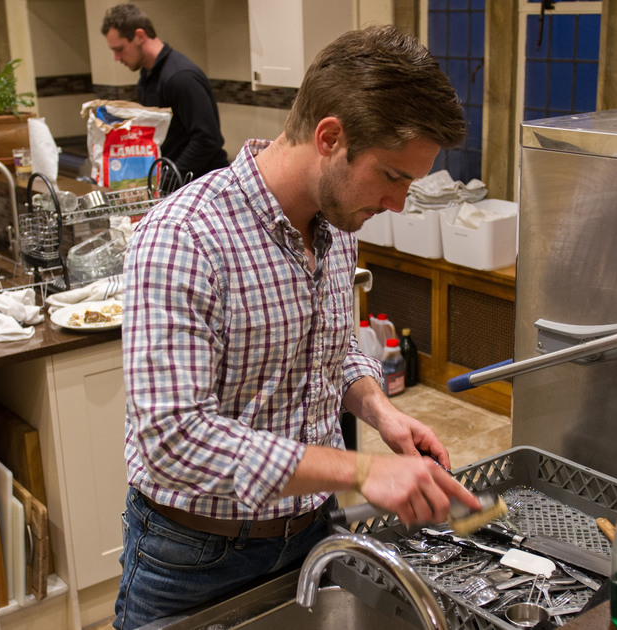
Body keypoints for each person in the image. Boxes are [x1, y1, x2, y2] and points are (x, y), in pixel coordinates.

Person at [114, 25, 479, 629]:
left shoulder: (336, 226)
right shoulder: (184, 236)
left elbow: (331, 350)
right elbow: (173, 439)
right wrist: (363, 471)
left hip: (312, 534)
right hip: (194, 558)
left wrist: (380, 414)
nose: (397, 204)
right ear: (330, 136)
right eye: (393, 176)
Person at [102, 3, 230, 181]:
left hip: (202, 186)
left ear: (140, 36)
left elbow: (207, 140)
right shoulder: (147, 77)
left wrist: (165, 180)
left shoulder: (180, 77)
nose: (117, 58)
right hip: (177, 185)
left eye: (120, 49)